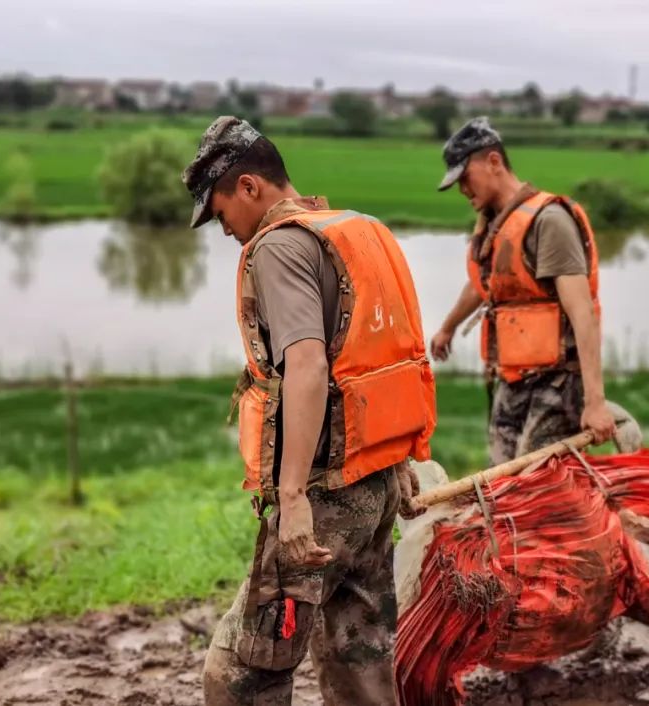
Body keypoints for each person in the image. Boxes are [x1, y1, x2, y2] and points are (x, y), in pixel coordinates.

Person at [182, 116, 436, 705]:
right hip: (373, 487)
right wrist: (396, 460)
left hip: (323, 496)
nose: (224, 232)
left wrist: (292, 498)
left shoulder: (279, 247)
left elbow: (310, 366)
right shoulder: (357, 232)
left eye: (220, 214)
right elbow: (380, 355)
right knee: (361, 653)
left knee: (244, 670)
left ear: (248, 187)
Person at [430, 117, 615, 464]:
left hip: (557, 382)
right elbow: (484, 285)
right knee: (501, 480)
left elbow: (582, 312)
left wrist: (595, 402)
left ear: (494, 162)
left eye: (465, 178)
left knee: (537, 482)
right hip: (512, 377)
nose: (463, 190)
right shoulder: (494, 225)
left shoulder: (549, 221)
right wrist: (448, 327)